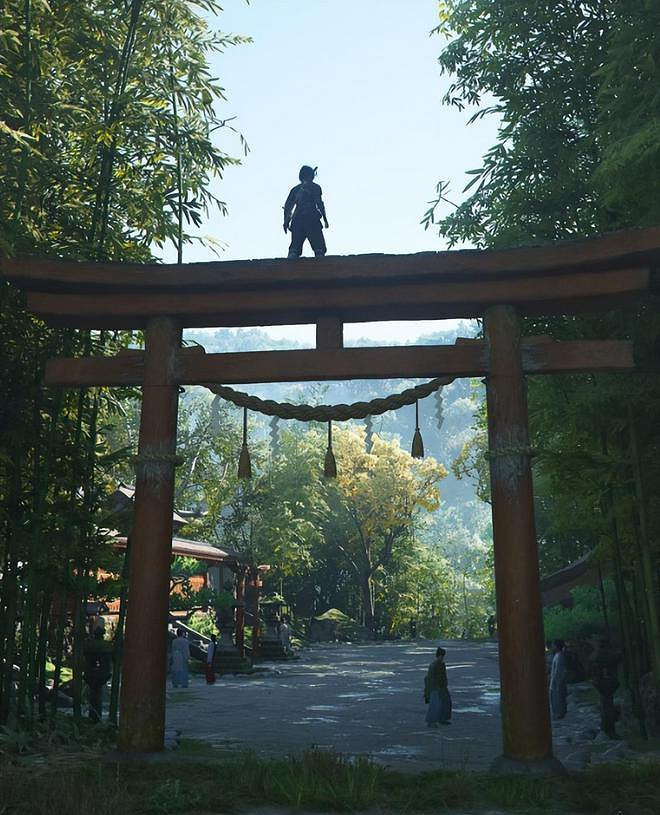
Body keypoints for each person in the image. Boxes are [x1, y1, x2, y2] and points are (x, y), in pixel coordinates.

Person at [283, 165, 329, 258]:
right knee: (319, 248)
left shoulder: (295, 189)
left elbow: (288, 207)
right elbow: (319, 203)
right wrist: (325, 218)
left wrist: (286, 222)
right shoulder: (315, 187)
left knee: (294, 248)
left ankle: (291, 260)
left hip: (297, 220)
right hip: (311, 218)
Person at [83, 627, 113, 722]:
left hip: (90, 673)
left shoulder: (89, 645)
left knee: (94, 694)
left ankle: (93, 717)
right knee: (96, 694)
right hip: (102, 674)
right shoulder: (106, 645)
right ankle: (96, 717)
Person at [424, 646, 452, 727]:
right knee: (435, 705)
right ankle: (431, 722)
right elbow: (429, 678)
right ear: (439, 656)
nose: (442, 657)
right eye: (441, 656)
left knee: (445, 703)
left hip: (441, 686)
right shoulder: (435, 665)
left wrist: (444, 685)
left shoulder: (441, 664)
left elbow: (443, 676)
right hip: (435, 687)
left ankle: (442, 719)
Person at [549, 639, 568, 719]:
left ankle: (559, 713)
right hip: (555, 680)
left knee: (558, 697)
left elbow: (558, 670)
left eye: (553, 645)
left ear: (556, 646)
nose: (552, 646)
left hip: (557, 680)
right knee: (555, 697)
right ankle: (558, 713)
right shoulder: (557, 655)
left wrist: (555, 680)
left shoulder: (559, 656)